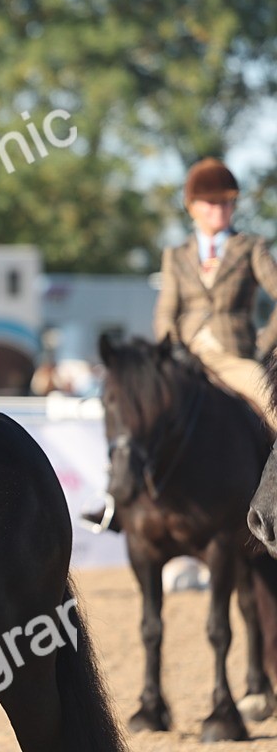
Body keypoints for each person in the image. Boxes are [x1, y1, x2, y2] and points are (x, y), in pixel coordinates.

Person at [83, 157, 277, 531]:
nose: (220, 209)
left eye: (227, 202)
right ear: (193, 208)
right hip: (183, 356)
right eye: (211, 203)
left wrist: (262, 344)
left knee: (273, 409)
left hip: (235, 355)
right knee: (134, 410)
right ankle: (116, 502)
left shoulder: (250, 247)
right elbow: (165, 313)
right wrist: (164, 355)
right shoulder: (176, 255)